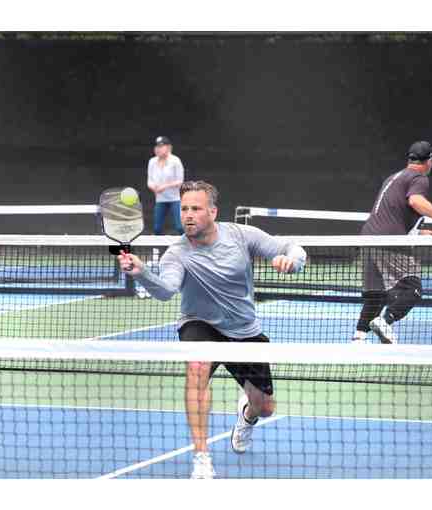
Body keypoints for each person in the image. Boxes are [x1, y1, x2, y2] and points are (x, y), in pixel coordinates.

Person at [117, 180, 306, 479]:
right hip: (200, 323)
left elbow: (291, 248)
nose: (188, 215)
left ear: (213, 212)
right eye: (184, 209)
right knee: (197, 369)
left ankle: (247, 415)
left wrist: (292, 261)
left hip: (243, 329)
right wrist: (141, 273)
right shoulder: (177, 253)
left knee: (265, 407)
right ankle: (202, 456)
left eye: (196, 208)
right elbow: (166, 290)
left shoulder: (240, 236)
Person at [352, 141, 432, 344]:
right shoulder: (419, 178)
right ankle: (385, 321)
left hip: (367, 239)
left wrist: (417, 233)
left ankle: (358, 339)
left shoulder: (393, 177)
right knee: (413, 288)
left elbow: (390, 214)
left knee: (376, 295)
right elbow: (415, 201)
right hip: (388, 241)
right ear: (429, 161)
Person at [147, 136, 185, 235]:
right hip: (160, 199)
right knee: (157, 228)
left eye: (161, 146)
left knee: (180, 227)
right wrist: (154, 188)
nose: (157, 149)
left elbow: (180, 181)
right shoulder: (152, 161)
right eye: (156, 146)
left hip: (175, 198)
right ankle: (157, 245)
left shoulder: (175, 161)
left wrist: (165, 186)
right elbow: (149, 181)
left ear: (168, 148)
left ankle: (187, 244)